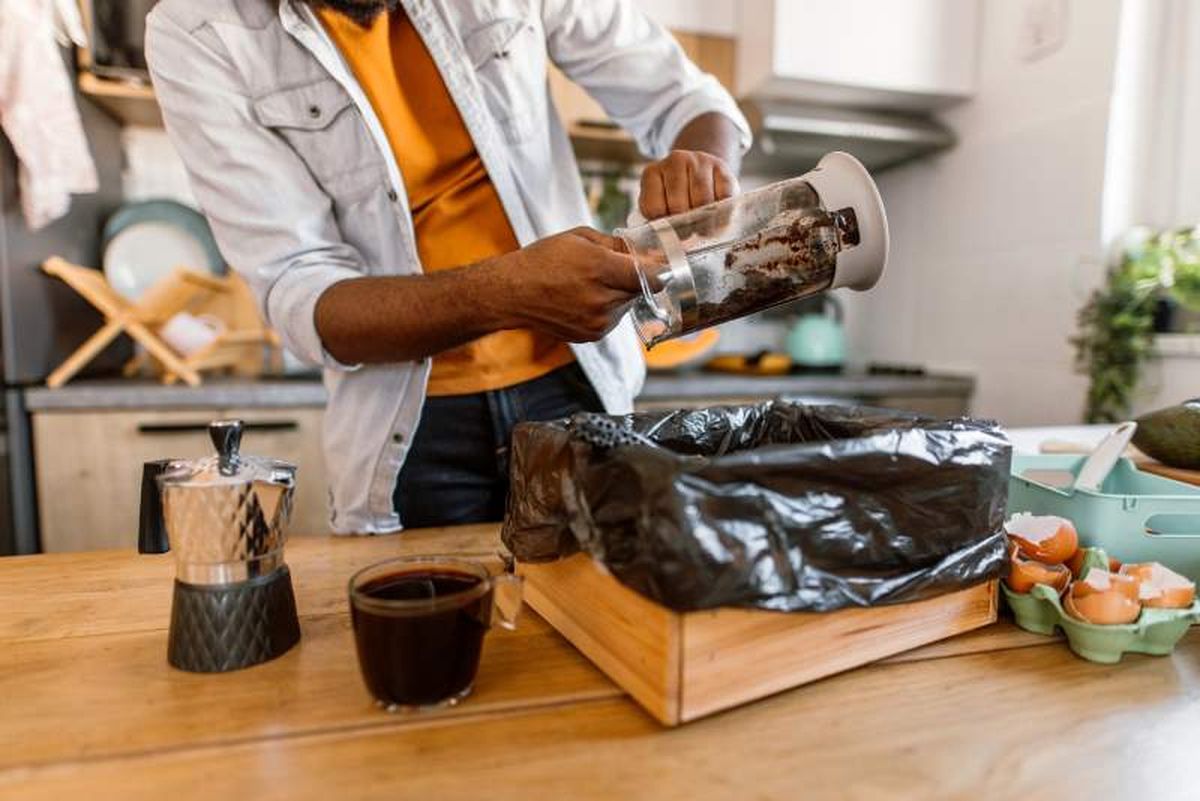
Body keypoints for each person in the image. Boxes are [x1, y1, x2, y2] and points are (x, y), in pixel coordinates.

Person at [145, 0, 750, 533]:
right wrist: (505, 294)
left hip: (582, 390)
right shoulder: (197, 31)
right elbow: (305, 300)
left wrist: (701, 165)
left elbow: (686, 98)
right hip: (410, 436)